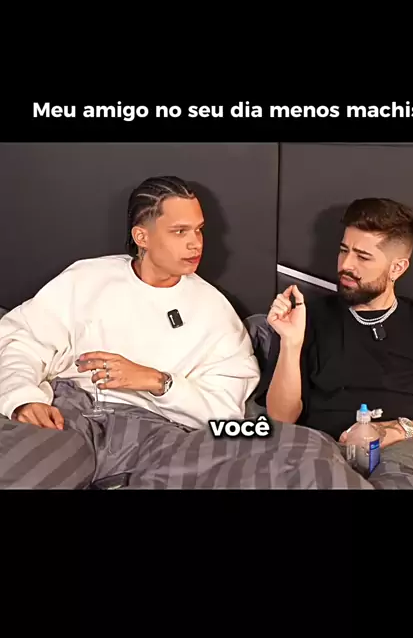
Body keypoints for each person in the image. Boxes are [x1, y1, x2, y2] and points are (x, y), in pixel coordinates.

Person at [0, 175, 370, 490]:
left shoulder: (213, 311)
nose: (196, 243)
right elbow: (19, 341)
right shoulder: (86, 279)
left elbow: (226, 414)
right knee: (29, 466)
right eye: (180, 232)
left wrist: (158, 381)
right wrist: (22, 399)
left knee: (304, 446)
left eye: (199, 230)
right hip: (70, 413)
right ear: (142, 236)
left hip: (160, 435)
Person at [261, 198, 413, 482]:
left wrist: (398, 430)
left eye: (362, 257)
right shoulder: (307, 318)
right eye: (344, 250)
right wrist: (290, 343)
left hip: (410, 457)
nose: (346, 265)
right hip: (321, 455)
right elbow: (281, 419)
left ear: (397, 268)